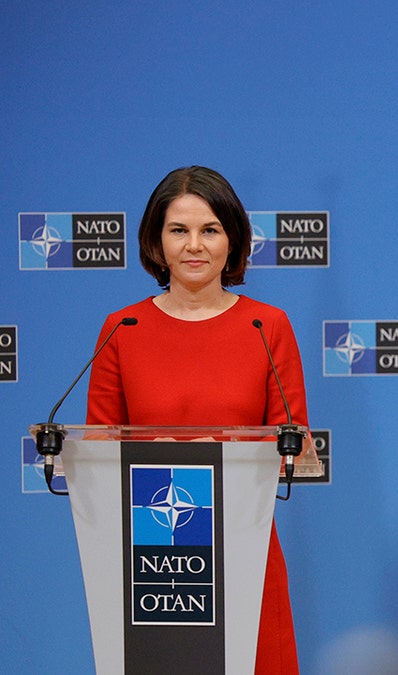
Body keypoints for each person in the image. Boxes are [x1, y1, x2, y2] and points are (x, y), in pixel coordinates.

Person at [86, 165, 308, 674]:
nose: (194, 246)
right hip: (153, 561)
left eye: (210, 230)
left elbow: (296, 447)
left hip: (245, 548)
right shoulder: (122, 328)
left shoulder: (266, 326)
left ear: (232, 240)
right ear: (156, 242)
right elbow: (95, 449)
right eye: (179, 230)